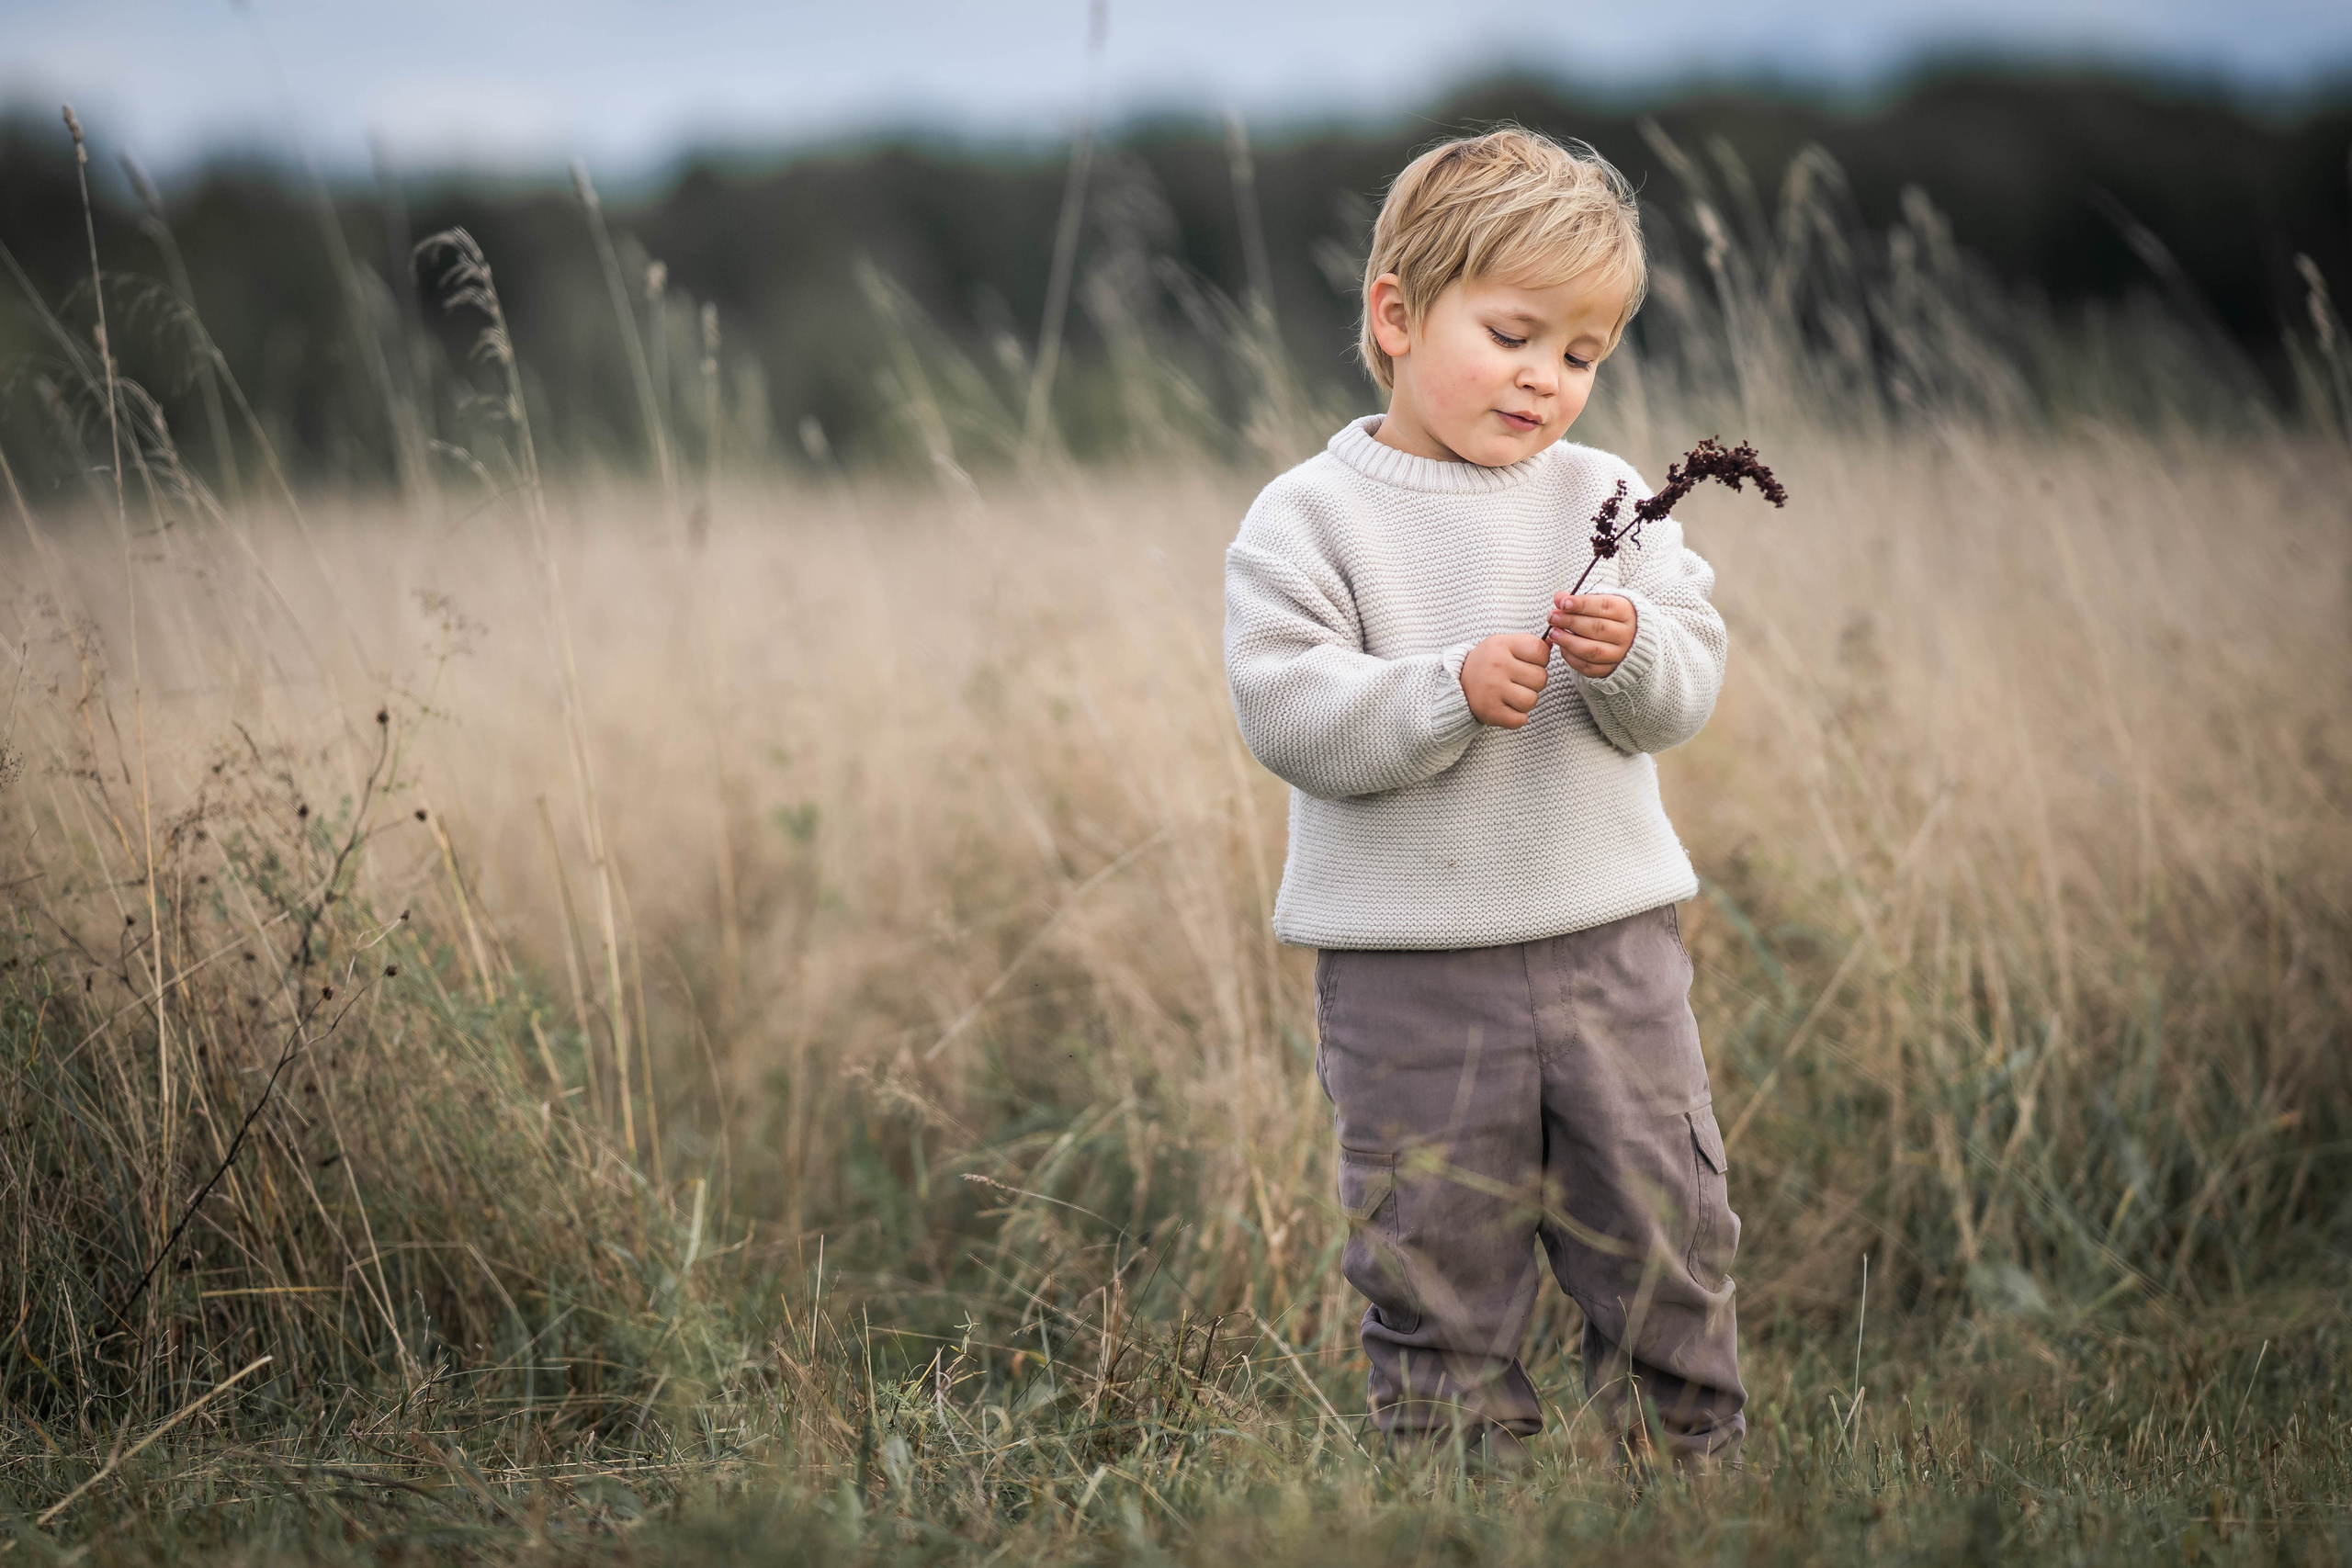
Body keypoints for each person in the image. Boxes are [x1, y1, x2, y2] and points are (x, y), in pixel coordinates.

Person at [1223, 128, 1743, 1471]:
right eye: (1513, 335)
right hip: (1409, 971)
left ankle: (1685, 1484)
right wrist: (1444, 689)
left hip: (1610, 948)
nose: (1545, 379)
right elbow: (1286, 709)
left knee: (1663, 1236)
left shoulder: (1608, 496)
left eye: (1582, 354)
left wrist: (1633, 656)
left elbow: (1688, 680)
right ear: (1397, 317)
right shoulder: (1310, 517)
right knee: (1435, 1262)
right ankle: (1465, 1503)